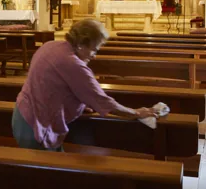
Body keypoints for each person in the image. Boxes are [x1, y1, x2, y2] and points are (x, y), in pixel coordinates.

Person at [12, 19, 158, 152]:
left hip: (21, 115)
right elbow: (103, 100)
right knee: (50, 175)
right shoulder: (74, 64)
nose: (95, 55)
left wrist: (80, 106)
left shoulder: (50, 46)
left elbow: (51, 86)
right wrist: (136, 113)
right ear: (81, 45)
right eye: (94, 49)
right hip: (36, 127)